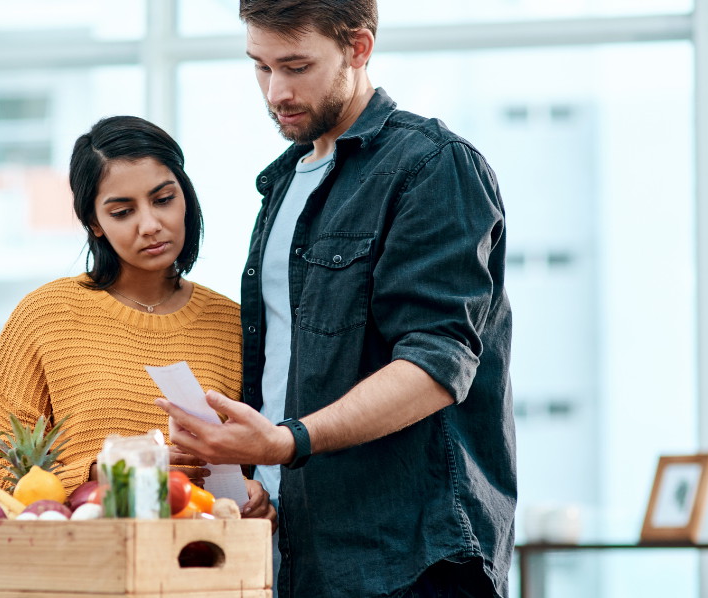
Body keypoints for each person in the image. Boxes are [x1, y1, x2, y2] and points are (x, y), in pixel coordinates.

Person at [156, 2, 515, 597]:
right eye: (261, 67)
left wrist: (288, 440)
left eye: (296, 66)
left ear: (358, 48)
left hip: (412, 557)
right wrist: (257, 477)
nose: (276, 91)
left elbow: (435, 365)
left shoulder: (431, 166)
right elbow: (286, 375)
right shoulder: (285, 181)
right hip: (302, 550)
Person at [0, 115, 275, 526]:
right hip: (85, 571)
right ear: (94, 222)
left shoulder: (234, 325)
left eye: (164, 199)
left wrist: (258, 495)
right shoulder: (44, 317)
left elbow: (263, 460)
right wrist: (106, 474)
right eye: (122, 211)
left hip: (201, 572)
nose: (150, 225)